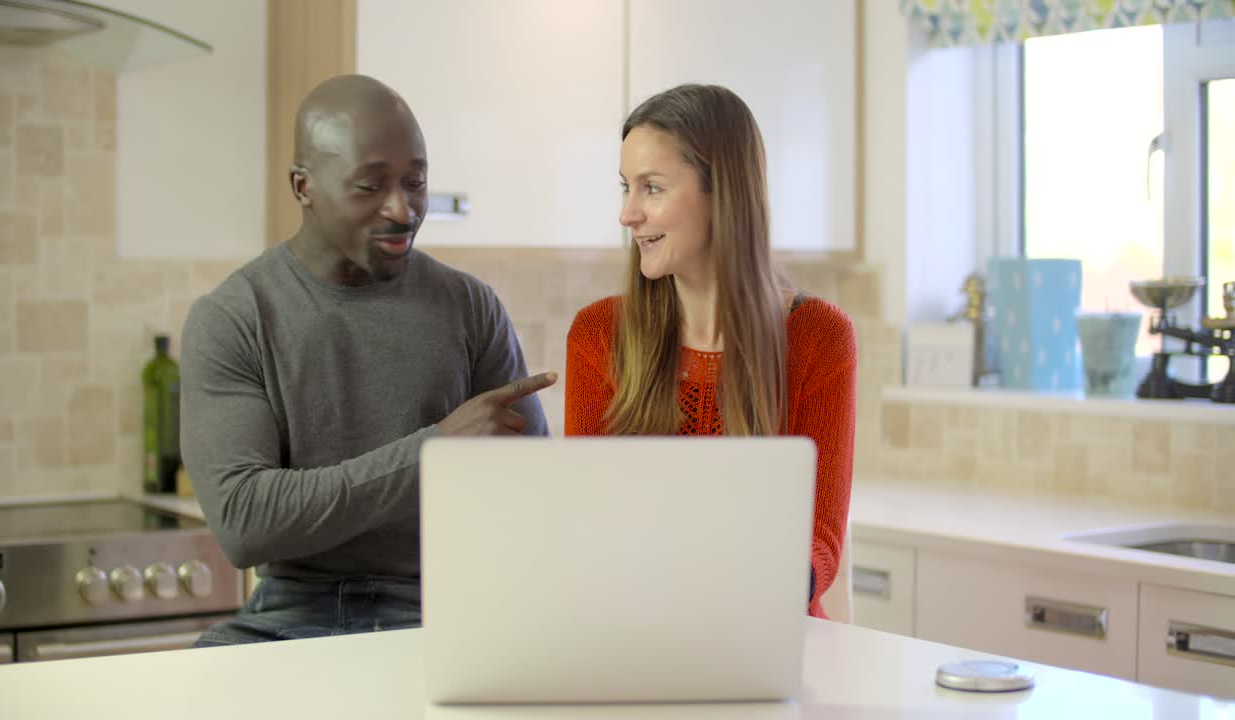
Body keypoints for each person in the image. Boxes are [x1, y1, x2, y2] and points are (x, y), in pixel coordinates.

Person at [181, 74, 554, 646]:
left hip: (444, 607)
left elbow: (532, 501)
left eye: (416, 182)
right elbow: (243, 521)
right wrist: (433, 452)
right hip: (287, 616)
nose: (402, 209)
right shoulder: (234, 318)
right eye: (369, 186)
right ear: (303, 186)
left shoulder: (470, 306)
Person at [564, 84, 856, 618]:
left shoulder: (817, 336)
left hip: (771, 637)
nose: (627, 213)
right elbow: (587, 524)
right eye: (626, 187)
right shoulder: (597, 335)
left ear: (723, 190)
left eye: (651, 188)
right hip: (635, 633)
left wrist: (738, 596)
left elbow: (821, 542)